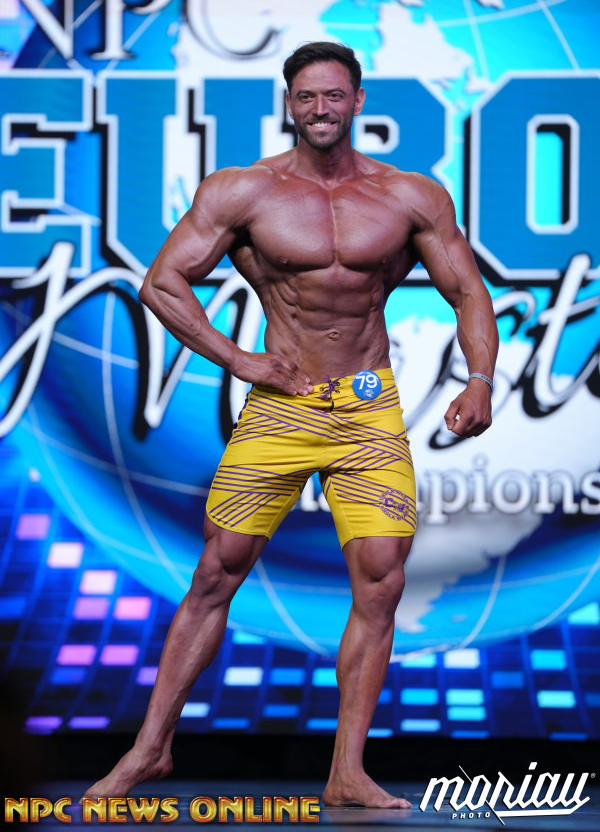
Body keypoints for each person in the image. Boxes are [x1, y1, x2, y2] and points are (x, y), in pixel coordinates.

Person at [84, 41, 498, 808]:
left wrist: (480, 379)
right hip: (282, 407)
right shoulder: (244, 191)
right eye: (306, 96)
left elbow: (468, 290)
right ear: (289, 103)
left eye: (333, 95)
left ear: (358, 101)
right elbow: (163, 282)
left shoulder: (410, 196)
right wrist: (239, 359)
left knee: (382, 579)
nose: (320, 109)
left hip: (367, 406)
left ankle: (347, 772)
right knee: (217, 572)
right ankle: (149, 750)